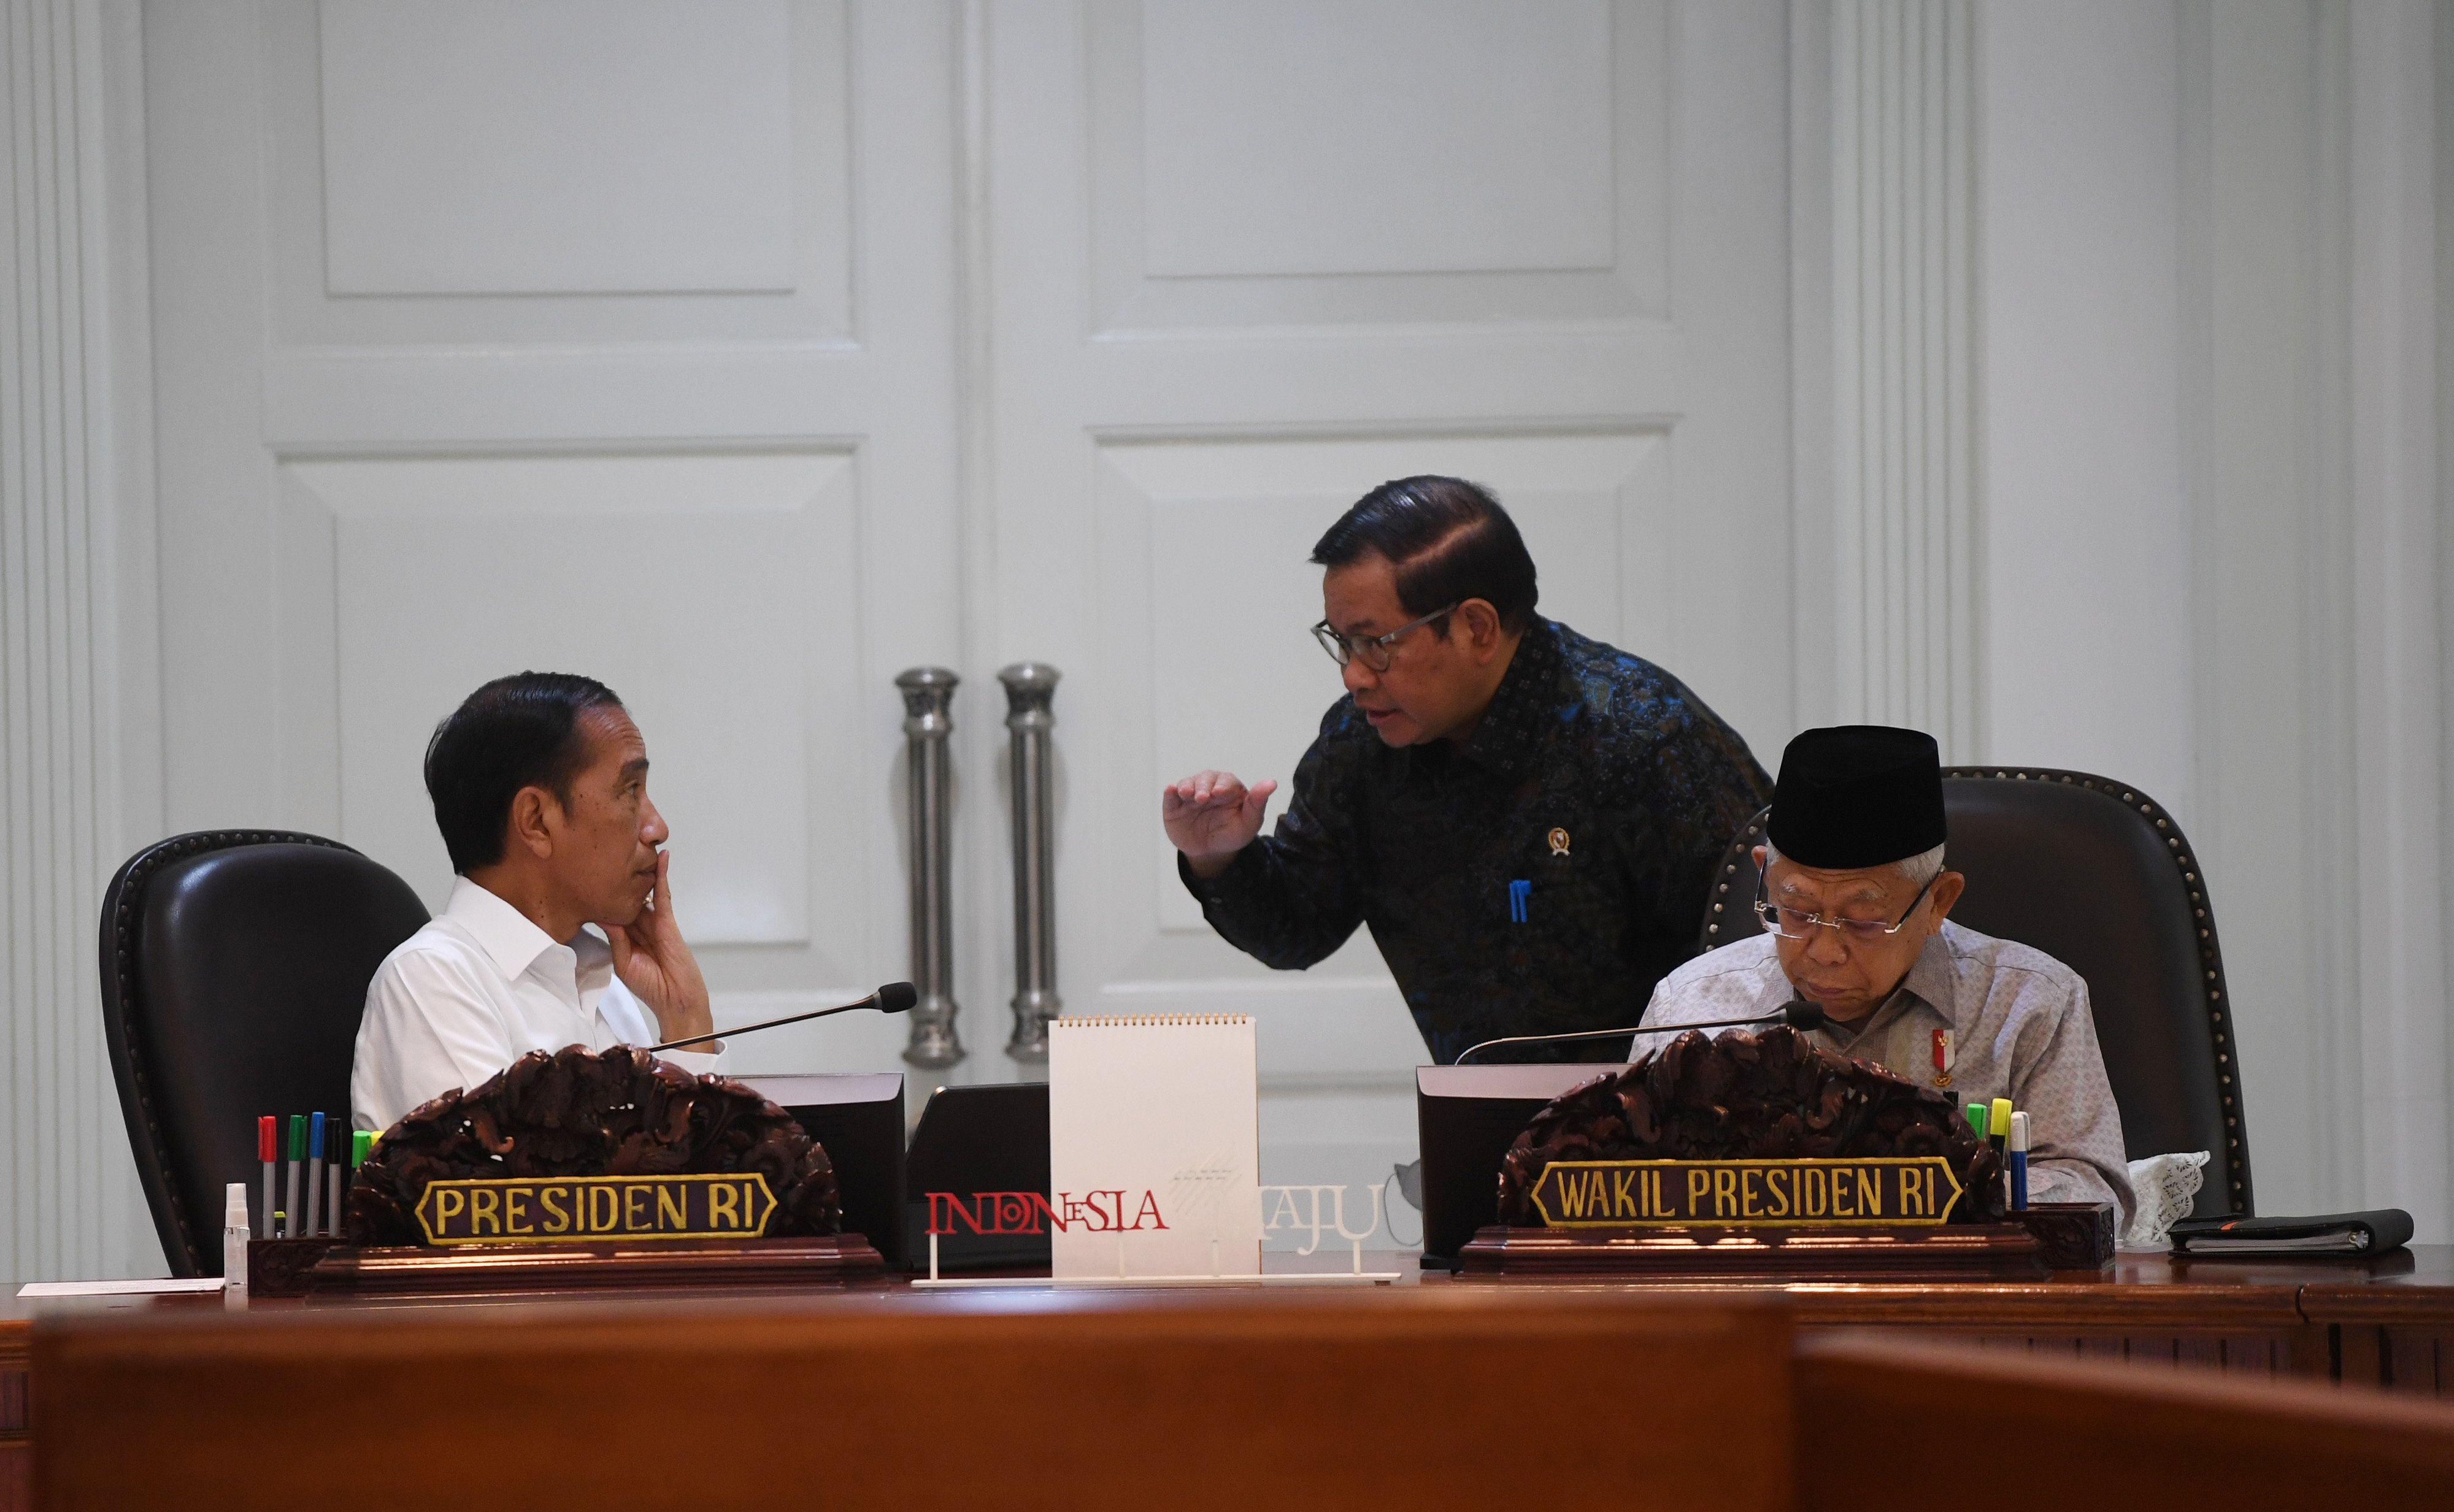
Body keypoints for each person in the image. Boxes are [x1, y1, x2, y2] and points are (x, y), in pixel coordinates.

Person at [1164, 475, 1772, 1064]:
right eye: (1342, 642)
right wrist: (1221, 859)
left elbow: (1761, 968)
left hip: (1662, 1143)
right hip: (1477, 1131)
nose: (1353, 673)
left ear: (1476, 628)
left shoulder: (1644, 738)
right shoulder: (1361, 747)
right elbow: (1294, 929)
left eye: (1377, 643)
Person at [1639, 724, 2134, 1222]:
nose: (1826, 951)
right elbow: (1629, 1192)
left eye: (1863, 920)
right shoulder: (1690, 1005)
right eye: (1797, 910)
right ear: (1767, 874)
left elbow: (2096, 1193)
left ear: (1939, 901)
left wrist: (1928, 1191)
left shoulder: (2030, 1003)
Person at [352, 672, 721, 1132]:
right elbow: (520, 1200)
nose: (657, 826)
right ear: (536, 822)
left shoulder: (609, 989)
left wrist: (685, 1017)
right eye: (630, 791)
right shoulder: (431, 982)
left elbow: (705, 1190)